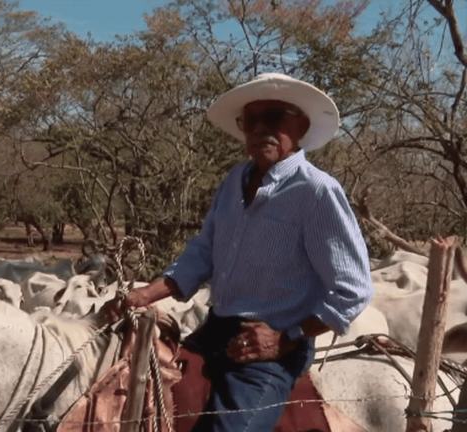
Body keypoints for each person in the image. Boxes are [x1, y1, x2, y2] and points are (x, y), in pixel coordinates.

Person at [110, 73, 374, 432]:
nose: (261, 128)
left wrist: (286, 338)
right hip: (214, 331)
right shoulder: (235, 179)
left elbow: (353, 290)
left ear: (300, 126)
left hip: (267, 350)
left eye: (275, 118)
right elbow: (203, 251)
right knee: (135, 395)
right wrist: (144, 294)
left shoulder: (316, 192)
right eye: (252, 120)